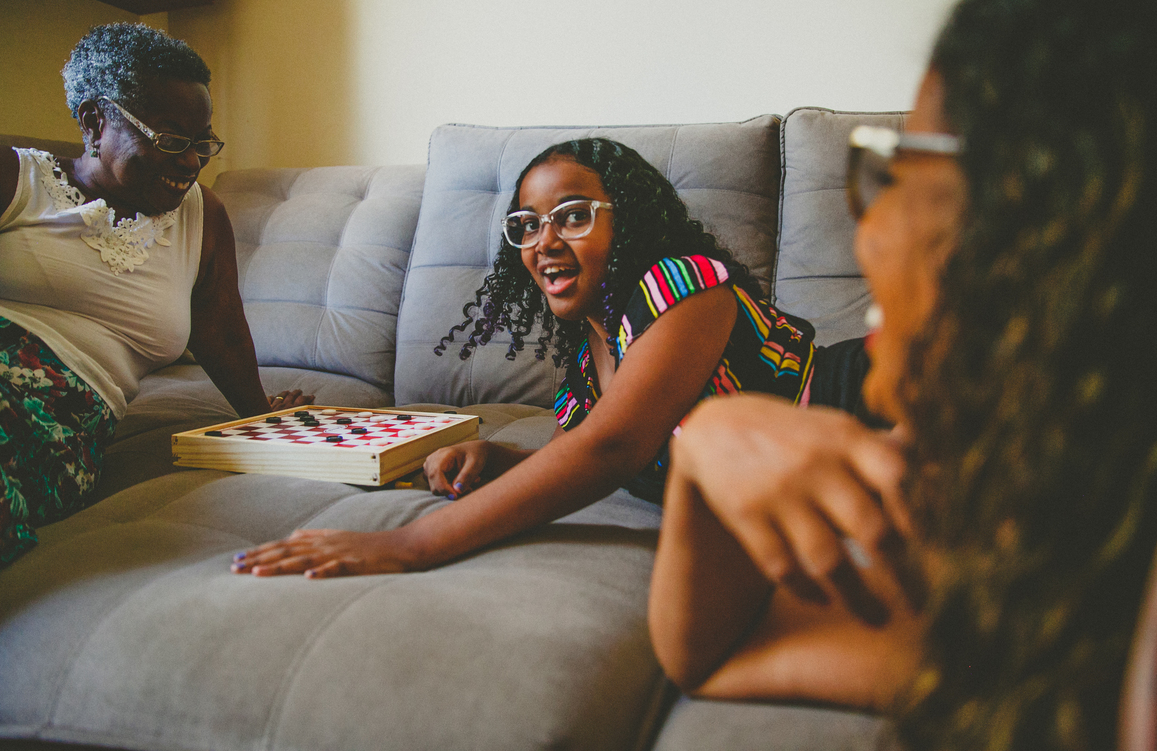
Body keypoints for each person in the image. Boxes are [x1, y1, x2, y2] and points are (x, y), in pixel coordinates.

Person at [648, 0, 1157, 746]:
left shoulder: (685, 287)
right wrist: (707, 442)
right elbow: (718, 652)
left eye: (898, 167)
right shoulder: (1044, 534)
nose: (868, 228)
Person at [230, 138, 875, 578]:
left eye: (571, 217)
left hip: (874, 400)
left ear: (628, 220)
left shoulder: (683, 283)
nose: (544, 242)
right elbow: (595, 451)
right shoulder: (589, 364)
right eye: (527, 225)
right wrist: (505, 457)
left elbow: (613, 448)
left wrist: (407, 543)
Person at [0, 23, 311, 585]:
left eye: (203, 142)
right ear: (96, 121)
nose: (193, 162)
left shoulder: (202, 217)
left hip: (51, 422)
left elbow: (219, 330)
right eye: (172, 140)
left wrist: (261, 413)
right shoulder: (0, 174)